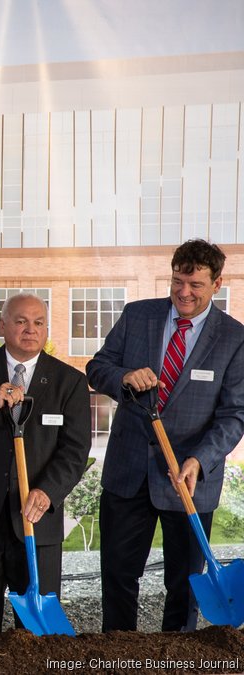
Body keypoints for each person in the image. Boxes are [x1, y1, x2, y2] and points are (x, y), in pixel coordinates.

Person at [87, 239, 244, 632]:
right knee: (119, 578)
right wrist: (123, 377)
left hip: (188, 481)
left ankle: (176, 661)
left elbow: (234, 415)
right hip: (129, 474)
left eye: (195, 285)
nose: (184, 293)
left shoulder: (233, 338)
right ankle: (119, 657)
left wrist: (199, 460)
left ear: (217, 284)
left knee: (184, 586)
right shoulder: (138, 316)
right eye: (177, 281)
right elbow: (97, 367)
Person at [0, 293, 91, 634]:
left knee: (38, 630)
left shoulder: (69, 381)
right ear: (3, 325)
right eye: (21, 321)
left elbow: (75, 449)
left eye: (38, 322)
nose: (30, 329)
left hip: (36, 519)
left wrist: (48, 491)